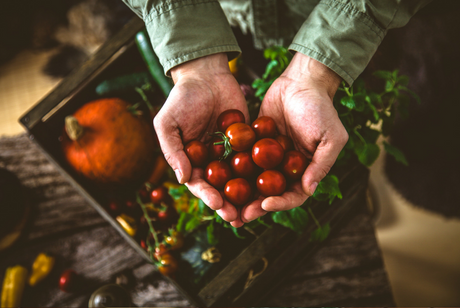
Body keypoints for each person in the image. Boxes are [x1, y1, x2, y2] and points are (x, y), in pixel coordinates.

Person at [121, 0, 432, 227]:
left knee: (399, 83)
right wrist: (194, 60)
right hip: (226, 17)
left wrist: (320, 67)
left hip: (351, 20)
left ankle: (358, 196)